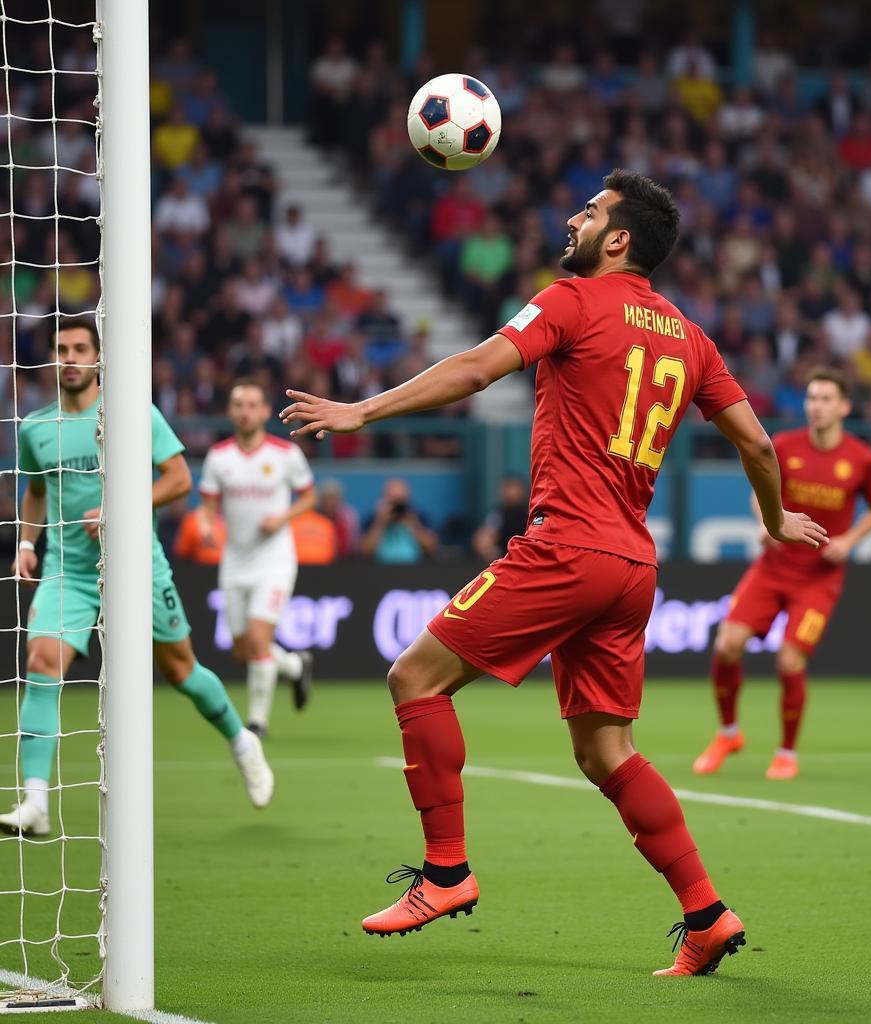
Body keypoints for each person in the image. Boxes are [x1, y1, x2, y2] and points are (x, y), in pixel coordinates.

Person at [282, 170, 826, 976]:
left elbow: (475, 369)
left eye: (590, 211)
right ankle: (706, 914)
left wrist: (362, 410)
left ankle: (446, 872)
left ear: (617, 240)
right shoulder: (690, 336)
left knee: (415, 679)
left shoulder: (571, 300)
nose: (571, 218)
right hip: (633, 564)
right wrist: (775, 516)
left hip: (566, 547)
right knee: (608, 753)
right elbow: (757, 443)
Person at [1, 320, 273, 837]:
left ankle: (242, 741)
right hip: (70, 570)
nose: (71, 358)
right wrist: (26, 543)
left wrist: (119, 506)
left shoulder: (132, 414)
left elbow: (178, 479)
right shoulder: (36, 427)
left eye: (81, 348)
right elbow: (36, 491)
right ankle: (35, 802)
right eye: (61, 350)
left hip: (136, 565)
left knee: (181, 671)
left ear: (98, 357)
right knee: (40, 660)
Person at [693, 368, 871, 781]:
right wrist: (766, 524)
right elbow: (759, 490)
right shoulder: (783, 445)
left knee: (789, 659)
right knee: (727, 644)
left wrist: (851, 541)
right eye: (811, 398)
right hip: (773, 567)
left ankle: (786, 752)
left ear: (844, 407)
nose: (816, 406)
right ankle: (728, 733)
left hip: (819, 577)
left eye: (825, 399)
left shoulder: (861, 458)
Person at [198, 380, 317, 738]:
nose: (245, 411)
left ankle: (257, 723)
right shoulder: (218, 457)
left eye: (252, 404)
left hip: (275, 560)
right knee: (242, 649)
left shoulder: (284, 454)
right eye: (238, 404)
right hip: (235, 561)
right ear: (230, 411)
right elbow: (207, 506)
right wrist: (206, 527)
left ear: (265, 412)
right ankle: (296, 666)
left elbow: (308, 497)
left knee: (258, 640)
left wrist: (282, 519)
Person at [360, 478, 438, 565]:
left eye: (400, 500)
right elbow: (365, 551)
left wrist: (413, 524)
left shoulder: (418, 516)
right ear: (384, 499)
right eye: (393, 500)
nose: (397, 506)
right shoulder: (373, 518)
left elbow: (431, 547)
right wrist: (380, 522)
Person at [471, 474, 529, 560]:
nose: (512, 492)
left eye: (515, 488)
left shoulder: (531, 512)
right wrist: (491, 552)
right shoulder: (498, 514)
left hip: (528, 560)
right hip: (505, 562)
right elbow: (484, 538)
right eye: (508, 488)